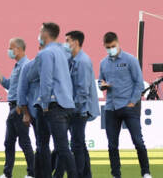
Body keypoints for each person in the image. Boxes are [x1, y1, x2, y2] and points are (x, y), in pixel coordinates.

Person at [23, 22, 77, 178]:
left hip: (53, 105)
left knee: (56, 148)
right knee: (58, 148)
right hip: (66, 104)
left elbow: (45, 80)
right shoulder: (63, 51)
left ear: (45, 35)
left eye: (40, 32)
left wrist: (45, 104)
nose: (39, 35)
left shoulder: (45, 54)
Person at [99, 32, 150, 178]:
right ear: (104, 46)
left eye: (113, 46)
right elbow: (100, 81)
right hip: (111, 108)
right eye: (108, 47)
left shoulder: (130, 60)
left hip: (128, 106)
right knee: (112, 145)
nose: (111, 49)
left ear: (118, 42)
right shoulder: (103, 63)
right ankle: (116, 174)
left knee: (138, 141)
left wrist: (132, 102)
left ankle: (146, 172)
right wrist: (103, 86)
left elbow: (139, 83)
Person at [0, 36, 35, 177]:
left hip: (19, 108)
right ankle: (7, 173)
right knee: (9, 142)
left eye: (11, 48)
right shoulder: (17, 66)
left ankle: (32, 173)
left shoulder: (25, 65)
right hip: (13, 108)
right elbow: (9, 85)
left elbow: (27, 89)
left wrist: (22, 108)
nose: (9, 51)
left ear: (18, 49)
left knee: (24, 141)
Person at [62, 31, 98, 178]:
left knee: (77, 145)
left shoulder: (82, 61)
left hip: (79, 110)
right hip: (76, 109)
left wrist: (73, 108)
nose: (65, 44)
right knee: (80, 144)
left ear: (75, 42)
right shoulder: (72, 59)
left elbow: (83, 90)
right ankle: (86, 175)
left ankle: (77, 174)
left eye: (67, 40)